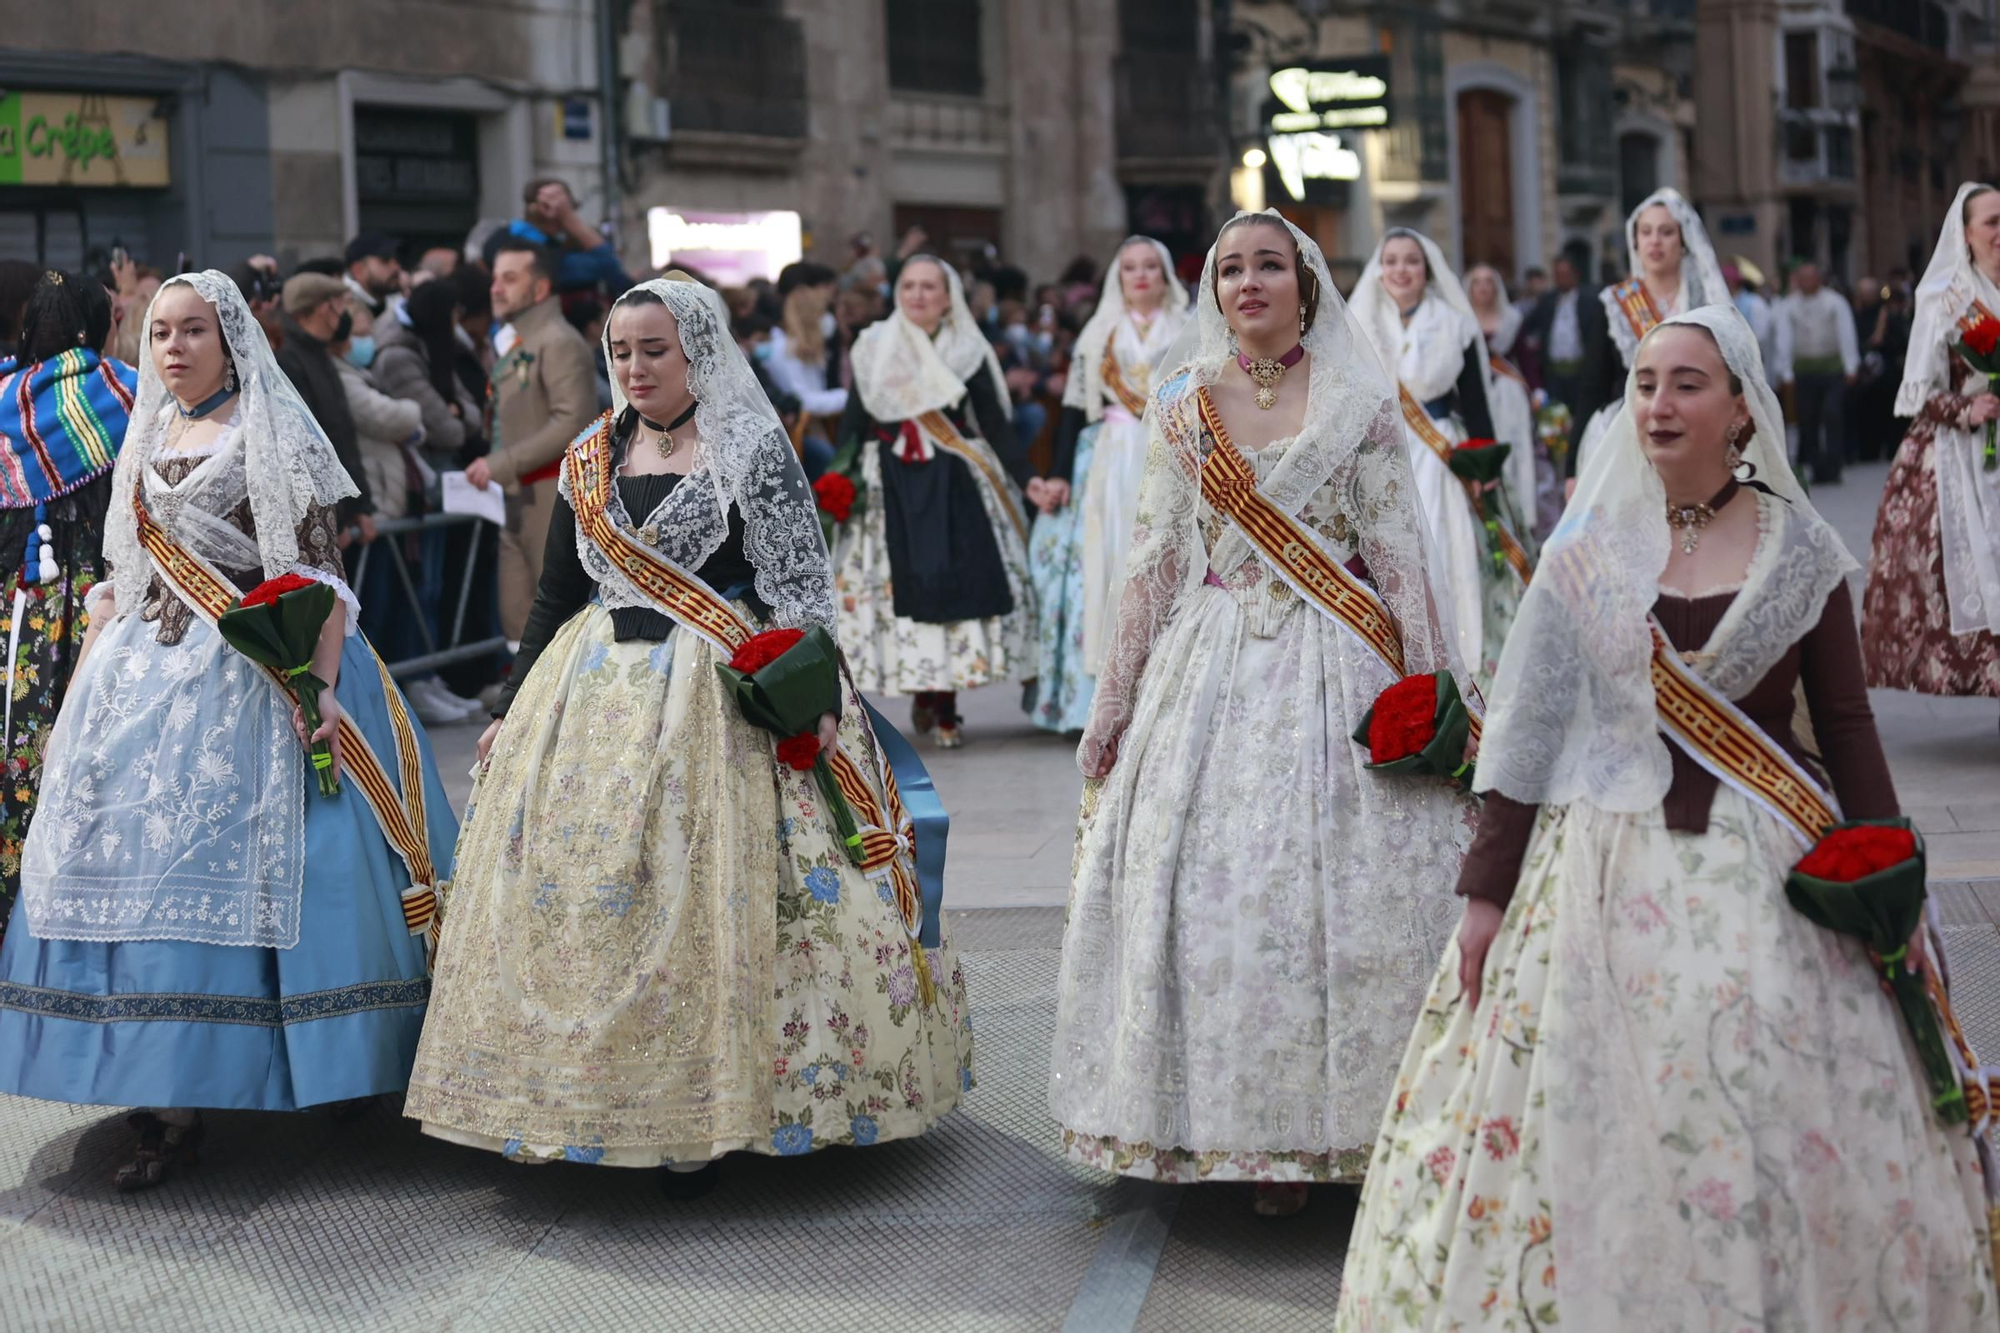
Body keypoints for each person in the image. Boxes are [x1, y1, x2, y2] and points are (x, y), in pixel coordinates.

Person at [1334, 305, 1997, 1329]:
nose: (1658, 403)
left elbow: (1848, 727)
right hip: (1597, 867)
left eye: (1686, 383)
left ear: (1739, 411)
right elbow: (1523, 730)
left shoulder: (1799, 547)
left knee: (1757, 1102)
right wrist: (1482, 895)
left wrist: (1890, 882)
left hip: (1766, 869)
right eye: (1645, 383)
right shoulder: (1584, 550)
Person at [404, 275, 972, 1187]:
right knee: (580, 895)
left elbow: (797, 595)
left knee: (716, 884)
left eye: (654, 350)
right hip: (589, 694)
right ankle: (582, 1096)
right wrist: (511, 704)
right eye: (621, 352)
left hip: (719, 693)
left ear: (697, 351)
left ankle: (730, 1097)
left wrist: (818, 705)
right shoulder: (592, 452)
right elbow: (557, 593)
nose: (633, 367)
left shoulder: (749, 446)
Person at [1050, 211, 1476, 1219]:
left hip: (1339, 669)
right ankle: (1212, 1124)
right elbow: (1154, 559)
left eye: (1267, 266)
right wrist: (1112, 700)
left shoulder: (1360, 401)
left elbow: (1401, 556)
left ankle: (1326, 1130)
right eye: (1229, 268)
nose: (1248, 283)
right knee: (1208, 903)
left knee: (1328, 898)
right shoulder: (1180, 406)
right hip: (1210, 659)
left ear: (1306, 285)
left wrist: (1435, 691)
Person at [0, 272, 459, 1191]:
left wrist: (320, 687)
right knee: (128, 874)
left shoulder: (272, 429)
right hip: (141, 677)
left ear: (230, 337)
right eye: (160, 331)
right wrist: (75, 706)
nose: (172, 347)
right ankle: (163, 1095)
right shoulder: (146, 430)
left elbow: (319, 577)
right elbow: (121, 579)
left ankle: (343, 1059)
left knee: (316, 868)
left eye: (192, 331)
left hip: (259, 669)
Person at [829, 255, 1037, 748]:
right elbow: (854, 424)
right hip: (889, 481)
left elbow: (994, 424)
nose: (918, 295)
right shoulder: (874, 346)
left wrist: (1029, 480)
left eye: (929, 287)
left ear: (949, 298)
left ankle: (946, 701)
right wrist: (837, 481)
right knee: (898, 583)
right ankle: (923, 692)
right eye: (909, 286)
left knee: (957, 581)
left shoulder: (967, 348)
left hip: (955, 477)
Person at [0, 272, 136, 944]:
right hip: (98, 596)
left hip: (16, 602)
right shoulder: (120, 392)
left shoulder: (4, 397)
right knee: (93, 745)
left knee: (18, 741)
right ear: (96, 327)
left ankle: (14, 901)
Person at [1350, 230, 1531, 686]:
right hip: (1380, 453)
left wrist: (1483, 464)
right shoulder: (1357, 323)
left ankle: (1459, 654)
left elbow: (1475, 400)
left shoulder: (1455, 322)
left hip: (1439, 453)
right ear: (1380, 268)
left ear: (1427, 269)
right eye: (1391, 261)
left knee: (1446, 549)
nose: (1400, 270)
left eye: (1411, 261)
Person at [1024, 236, 1188, 734]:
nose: (1140, 276)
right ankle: (1096, 697)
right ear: (1119, 278)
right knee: (1104, 563)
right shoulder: (1098, 333)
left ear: (1164, 275)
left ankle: (1164, 688)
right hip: (1109, 455)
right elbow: (1074, 408)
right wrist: (1055, 472)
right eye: (1130, 268)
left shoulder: (1190, 327)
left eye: (1150, 267)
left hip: (1171, 452)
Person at [1861, 181, 2000, 699]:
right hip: (1961, 454)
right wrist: (1967, 408)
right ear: (1966, 234)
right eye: (1992, 222)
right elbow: (1918, 391)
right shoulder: (1947, 299)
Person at [467, 238, 597, 651]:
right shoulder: (519, 341)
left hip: (550, 500)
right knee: (519, 619)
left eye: (510, 278)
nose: (495, 288)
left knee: (551, 620)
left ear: (540, 289)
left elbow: (572, 422)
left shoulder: (558, 341)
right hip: (519, 495)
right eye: (494, 279)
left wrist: (500, 463)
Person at [371, 280, 488, 724]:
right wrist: (456, 415)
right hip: (419, 485)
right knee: (421, 583)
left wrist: (459, 415)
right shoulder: (400, 355)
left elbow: (469, 410)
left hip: (440, 482)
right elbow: (449, 426)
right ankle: (416, 680)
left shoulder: (427, 348)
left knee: (436, 584)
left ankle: (430, 675)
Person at [1571, 188, 1729, 474]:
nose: (1655, 241)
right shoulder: (1616, 303)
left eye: (1666, 231)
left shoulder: (1706, 302)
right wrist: (1572, 468)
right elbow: (1593, 385)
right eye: (1646, 232)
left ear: (1683, 240)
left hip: (1698, 435)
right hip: (1629, 438)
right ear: (1636, 241)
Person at [275, 274, 374, 548]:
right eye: (339, 305)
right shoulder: (289, 360)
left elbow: (343, 433)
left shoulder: (320, 354)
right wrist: (335, 519)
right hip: (323, 523)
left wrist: (359, 506)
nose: (343, 315)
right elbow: (307, 445)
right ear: (322, 308)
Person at [1465, 263, 1544, 534]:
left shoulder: (1512, 319)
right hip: (1477, 396)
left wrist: (1537, 391)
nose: (1484, 287)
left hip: (1509, 396)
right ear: (1470, 288)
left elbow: (1527, 359)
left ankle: (1523, 515)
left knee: (1516, 451)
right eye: (1478, 281)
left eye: (1489, 281)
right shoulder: (1461, 320)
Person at [1773, 260, 1860, 485]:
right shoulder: (1788, 305)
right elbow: (1784, 339)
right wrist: (1785, 371)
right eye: (1801, 279)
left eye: (1810, 278)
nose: (1805, 283)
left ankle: (1834, 464)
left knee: (1832, 414)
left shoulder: (1835, 302)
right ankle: (1816, 466)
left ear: (1818, 279)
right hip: (1804, 370)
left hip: (1831, 369)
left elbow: (1846, 333)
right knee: (1807, 420)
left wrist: (1851, 365)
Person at [481, 178, 631, 296]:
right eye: (571, 211)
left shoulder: (499, 237)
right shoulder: (549, 257)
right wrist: (570, 220)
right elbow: (609, 268)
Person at [1519, 255, 1603, 446]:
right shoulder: (1547, 301)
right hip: (1554, 374)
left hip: (1580, 372)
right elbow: (1527, 327)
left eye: (1565, 274)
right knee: (1555, 420)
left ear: (1575, 275)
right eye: (1557, 274)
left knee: (1581, 418)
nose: (1561, 278)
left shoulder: (1589, 301)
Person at [344, 233, 404, 324]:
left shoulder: (399, 303)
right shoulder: (341, 309)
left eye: (397, 260)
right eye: (385, 260)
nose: (396, 268)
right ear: (358, 270)